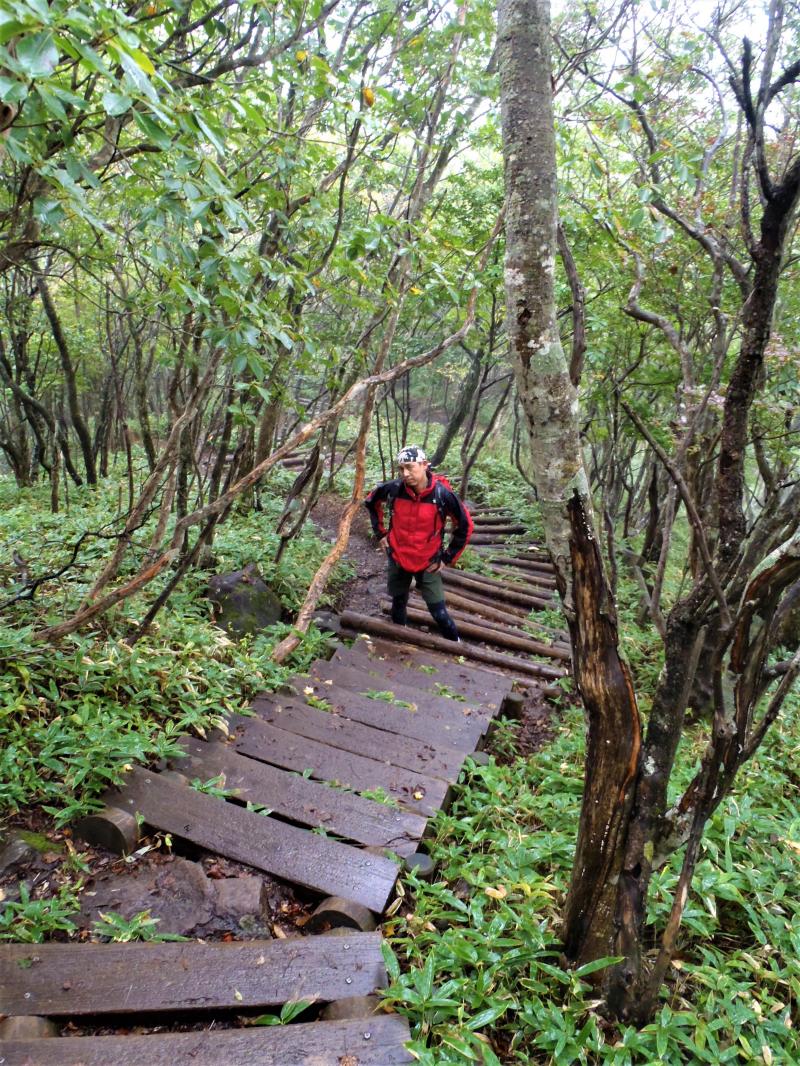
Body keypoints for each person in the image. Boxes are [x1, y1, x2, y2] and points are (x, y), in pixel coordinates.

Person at [364, 445, 473, 641]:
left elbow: (465, 525)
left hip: (428, 561)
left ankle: (457, 647)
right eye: (401, 468)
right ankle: (400, 639)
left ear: (424, 465)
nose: (405, 474)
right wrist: (380, 533)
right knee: (399, 601)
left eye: (410, 467)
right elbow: (371, 502)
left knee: (438, 611)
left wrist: (447, 557)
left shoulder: (442, 495)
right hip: (398, 556)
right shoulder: (394, 489)